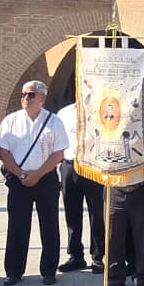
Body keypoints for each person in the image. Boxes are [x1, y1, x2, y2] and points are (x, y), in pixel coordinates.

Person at [0, 81, 67, 286]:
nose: (26, 98)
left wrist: (37, 174)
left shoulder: (54, 121)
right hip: (18, 180)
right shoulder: (11, 121)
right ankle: (14, 271)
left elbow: (59, 153)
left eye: (31, 95)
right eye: (23, 94)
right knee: (17, 225)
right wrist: (20, 174)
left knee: (49, 225)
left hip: (45, 178)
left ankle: (48, 271)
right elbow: (3, 151)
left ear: (42, 98)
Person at [56, 101, 106, 274]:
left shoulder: (101, 109)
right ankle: (75, 255)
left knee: (97, 213)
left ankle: (98, 256)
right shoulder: (64, 112)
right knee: (72, 212)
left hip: (93, 166)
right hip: (69, 165)